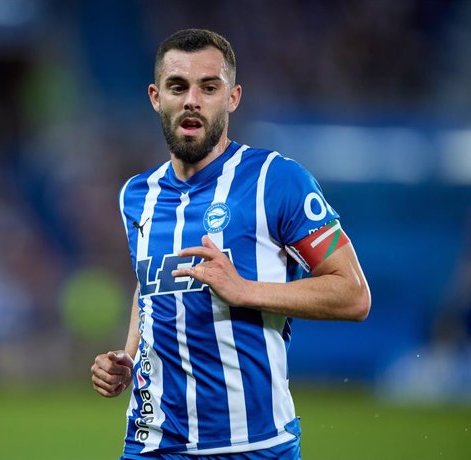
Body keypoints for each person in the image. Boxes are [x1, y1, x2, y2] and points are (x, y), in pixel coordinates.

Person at [90, 28, 370, 460]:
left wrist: (245, 290)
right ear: (155, 96)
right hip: (152, 443)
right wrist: (125, 357)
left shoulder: (276, 180)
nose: (192, 100)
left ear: (233, 97)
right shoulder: (136, 195)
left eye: (209, 87)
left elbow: (353, 295)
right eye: (177, 87)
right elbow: (150, 283)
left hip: (253, 446)